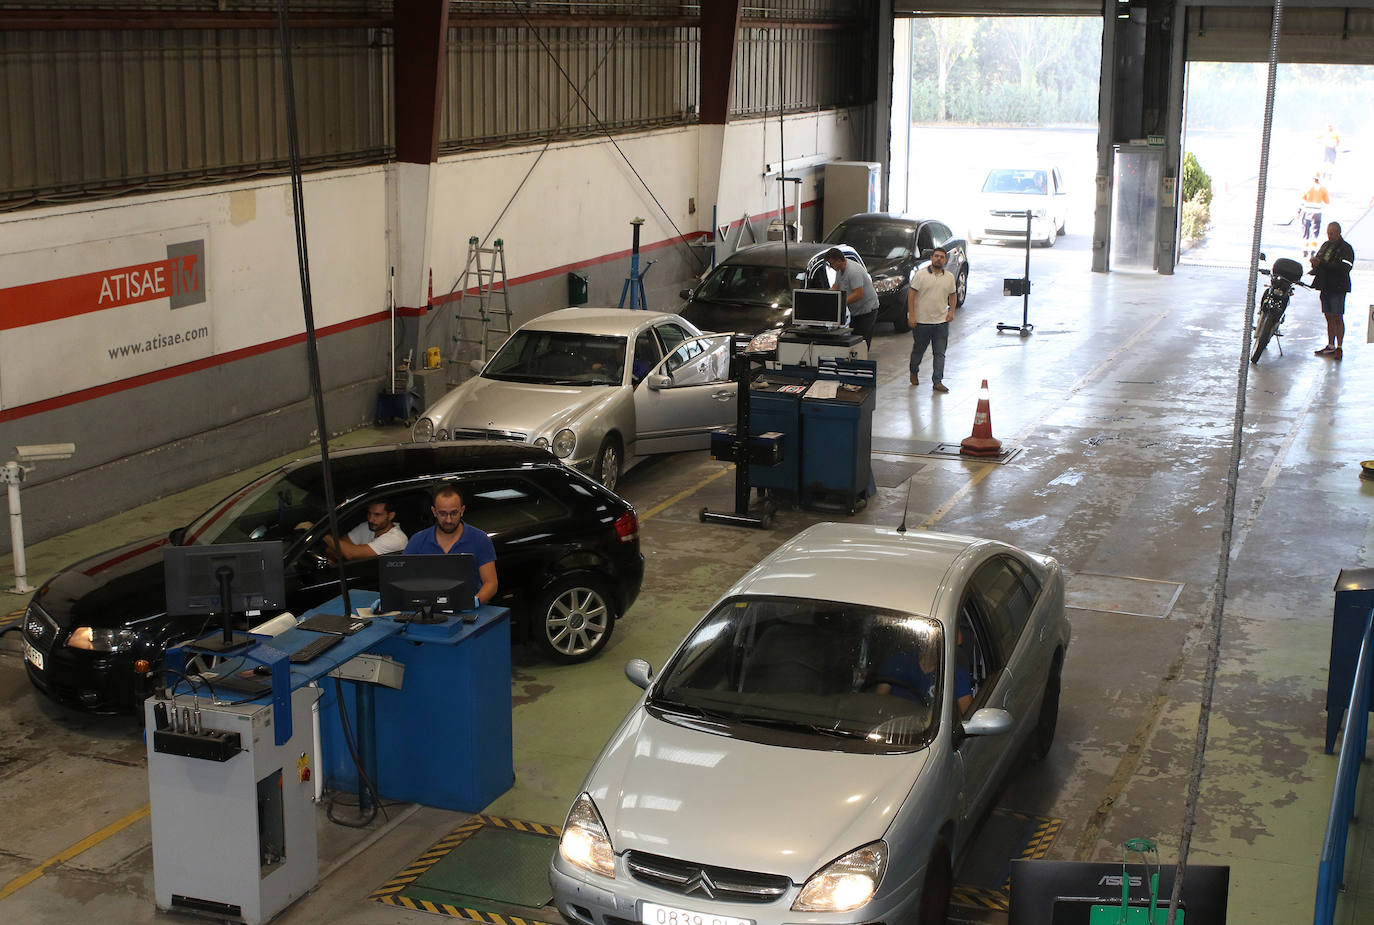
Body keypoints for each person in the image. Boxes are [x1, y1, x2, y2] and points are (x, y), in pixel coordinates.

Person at [404, 484, 499, 606]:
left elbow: (491, 583)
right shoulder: (418, 541)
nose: (448, 520)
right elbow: (403, 581)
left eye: (454, 513)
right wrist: (392, 600)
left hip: (469, 611)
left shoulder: (480, 539)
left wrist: (475, 601)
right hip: (428, 609)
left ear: (462, 511)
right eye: (443, 514)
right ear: (434, 512)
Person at [873, 626, 974, 716]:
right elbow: (877, 704)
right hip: (890, 725)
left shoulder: (956, 675)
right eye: (948, 644)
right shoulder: (899, 661)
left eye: (956, 647)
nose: (952, 651)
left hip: (929, 733)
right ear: (929, 639)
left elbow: (969, 718)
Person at [906, 246, 958, 392]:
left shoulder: (949, 277)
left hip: (941, 323)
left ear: (945, 260)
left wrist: (951, 311)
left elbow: (953, 295)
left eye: (942, 257)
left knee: (940, 353)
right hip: (922, 322)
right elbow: (911, 295)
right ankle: (913, 370)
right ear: (931, 258)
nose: (938, 259)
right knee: (918, 351)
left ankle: (937, 381)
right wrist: (912, 315)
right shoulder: (921, 275)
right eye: (936, 256)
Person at [1310, 221, 1355, 360]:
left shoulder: (1346, 248)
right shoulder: (1326, 245)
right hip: (1325, 285)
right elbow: (1320, 258)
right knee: (1328, 316)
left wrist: (1322, 264)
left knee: (1337, 316)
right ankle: (1330, 345)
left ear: (1338, 232)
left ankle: (1339, 347)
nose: (1330, 235)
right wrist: (1315, 262)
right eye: (1328, 233)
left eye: (1332, 233)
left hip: (1338, 287)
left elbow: (1345, 267)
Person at [823, 247, 879, 349]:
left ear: (839, 261)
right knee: (854, 338)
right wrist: (827, 297)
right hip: (856, 310)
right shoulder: (840, 270)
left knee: (862, 341)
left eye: (831, 264)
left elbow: (858, 294)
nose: (831, 267)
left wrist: (839, 302)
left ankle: (862, 362)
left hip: (867, 310)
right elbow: (836, 286)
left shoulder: (853, 272)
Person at [321, 499, 407, 562]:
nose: (370, 519)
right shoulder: (366, 527)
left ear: (391, 516)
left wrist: (323, 533)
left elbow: (351, 554)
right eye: (369, 513)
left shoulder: (395, 539)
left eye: (377, 515)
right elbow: (334, 547)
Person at [1300, 174, 1329, 258]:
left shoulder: (1308, 188)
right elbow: (1327, 201)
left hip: (1307, 213)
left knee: (1305, 232)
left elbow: (1302, 200)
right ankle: (1313, 250)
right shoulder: (1323, 189)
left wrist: (1299, 211)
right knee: (1315, 232)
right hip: (1317, 214)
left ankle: (1304, 250)